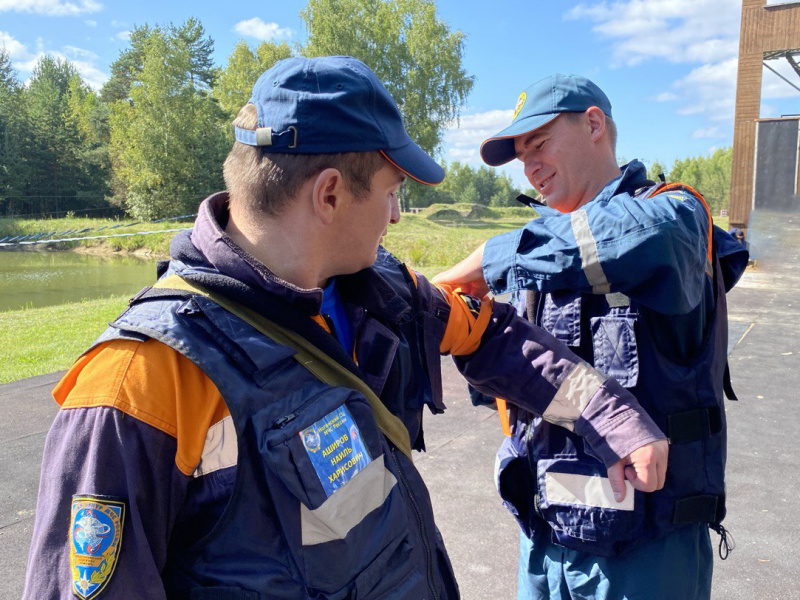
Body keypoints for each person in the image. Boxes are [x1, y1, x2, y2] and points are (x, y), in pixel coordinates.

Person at [23, 59, 668, 600]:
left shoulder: (378, 291)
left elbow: (495, 337)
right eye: (391, 192)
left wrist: (613, 415)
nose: (393, 215)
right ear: (329, 195)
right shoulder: (142, 384)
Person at [434, 73, 749, 600]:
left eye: (538, 143)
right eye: (519, 154)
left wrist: (489, 257)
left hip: (645, 552)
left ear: (594, 125)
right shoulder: (541, 250)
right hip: (547, 535)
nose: (529, 164)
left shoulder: (676, 216)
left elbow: (633, 237)